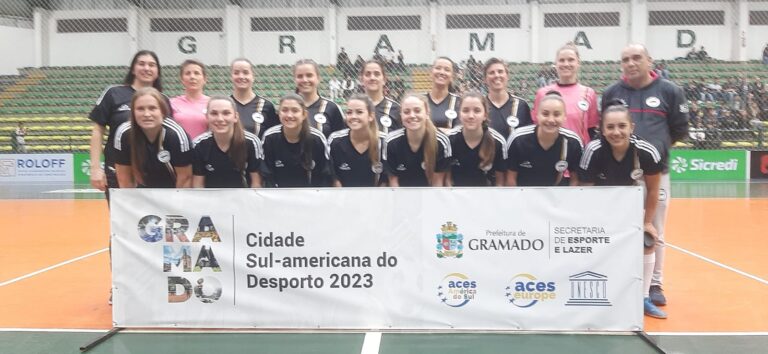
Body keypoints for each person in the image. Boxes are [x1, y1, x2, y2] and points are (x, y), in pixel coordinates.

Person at [602, 43, 690, 308]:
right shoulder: (612, 92)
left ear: (649, 61)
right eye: (626, 59)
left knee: (653, 229)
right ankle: (620, 279)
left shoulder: (670, 91)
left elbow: (678, 130)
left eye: (636, 58)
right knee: (617, 229)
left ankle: (654, 284)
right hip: (620, 174)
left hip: (655, 173)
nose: (631, 63)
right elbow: (605, 129)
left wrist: (654, 152)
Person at [579, 100, 666, 319]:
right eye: (610, 127)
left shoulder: (646, 152)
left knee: (647, 241)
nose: (616, 132)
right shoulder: (593, 150)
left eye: (621, 126)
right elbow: (585, 192)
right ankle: (600, 296)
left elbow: (654, 190)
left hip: (631, 205)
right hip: (601, 207)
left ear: (631, 128)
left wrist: (647, 222)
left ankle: (643, 297)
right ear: (602, 129)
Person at [89, 50, 171, 200]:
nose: (147, 68)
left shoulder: (163, 99)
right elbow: (98, 130)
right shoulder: (114, 93)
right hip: (117, 169)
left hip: (153, 171)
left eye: (152, 65)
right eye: (141, 64)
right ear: (133, 69)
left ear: (157, 71)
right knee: (121, 220)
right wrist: (95, 168)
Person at [113, 87, 193, 188]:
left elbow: (185, 178)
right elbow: (124, 180)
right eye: (140, 109)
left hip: (173, 190)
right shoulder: (123, 133)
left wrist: (175, 202)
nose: (146, 114)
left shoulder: (175, 134)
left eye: (152, 108)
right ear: (133, 112)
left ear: (162, 111)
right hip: (142, 192)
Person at [505, 91, 583, 187]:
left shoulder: (573, 142)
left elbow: (575, 179)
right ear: (537, 115)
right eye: (545, 114)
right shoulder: (518, 139)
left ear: (564, 117)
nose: (550, 120)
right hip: (523, 195)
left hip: (555, 195)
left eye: (557, 114)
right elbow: (510, 178)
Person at [533, 43, 599, 144]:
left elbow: (591, 130)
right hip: (550, 152)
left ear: (578, 63)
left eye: (571, 60)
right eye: (562, 60)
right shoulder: (542, 93)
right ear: (556, 64)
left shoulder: (588, 93)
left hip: (578, 154)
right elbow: (536, 127)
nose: (566, 64)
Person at [261, 93, 331, 187]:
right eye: (284, 110)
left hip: (311, 197)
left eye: (295, 111)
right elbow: (267, 176)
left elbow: (325, 175)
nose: (289, 115)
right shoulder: (269, 137)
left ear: (304, 114)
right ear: (278, 113)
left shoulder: (317, 139)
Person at [192, 96, 263, 188]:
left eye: (226, 113)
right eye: (214, 113)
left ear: (235, 117)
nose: (220, 119)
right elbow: (198, 184)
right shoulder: (199, 145)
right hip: (211, 200)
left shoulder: (251, 142)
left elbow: (256, 183)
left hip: (243, 199)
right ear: (207, 117)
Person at [384, 93, 453, 187]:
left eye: (417, 110)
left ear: (427, 113)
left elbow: (438, 184)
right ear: (401, 115)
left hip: (430, 198)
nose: (412, 115)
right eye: (406, 112)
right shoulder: (391, 142)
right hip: (401, 198)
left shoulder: (441, 142)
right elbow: (394, 184)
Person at [446, 92, 507, 186]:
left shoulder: (498, 142)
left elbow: (500, 183)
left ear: (485, 115)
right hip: (456, 198)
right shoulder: (449, 140)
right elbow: (447, 181)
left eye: (477, 111)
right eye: (465, 110)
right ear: (459, 114)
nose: (471, 116)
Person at [328, 94, 386, 187]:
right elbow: (334, 178)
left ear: (370, 116)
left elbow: (384, 181)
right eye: (349, 112)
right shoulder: (335, 141)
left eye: (359, 112)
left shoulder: (384, 142)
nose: (353, 116)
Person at [293, 59, 345, 138]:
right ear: (294, 80)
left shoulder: (331, 108)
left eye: (309, 75)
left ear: (318, 78)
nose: (305, 80)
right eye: (300, 76)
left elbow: (341, 142)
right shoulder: (287, 108)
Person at [483, 57, 533, 139]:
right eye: (491, 72)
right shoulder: (480, 106)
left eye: (500, 71)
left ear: (507, 76)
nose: (496, 75)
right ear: (485, 79)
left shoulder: (521, 106)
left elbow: (528, 139)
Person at [229, 58, 279, 139]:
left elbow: (273, 137)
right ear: (231, 76)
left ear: (253, 76)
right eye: (236, 73)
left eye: (245, 72)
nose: (241, 76)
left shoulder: (266, 106)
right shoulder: (225, 104)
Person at [170, 59, 209, 140]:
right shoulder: (172, 103)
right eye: (188, 73)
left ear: (205, 79)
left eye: (196, 73)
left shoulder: (212, 104)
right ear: (182, 79)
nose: (192, 77)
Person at [360, 60, 402, 134]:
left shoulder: (396, 109)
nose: (372, 78)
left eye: (377, 74)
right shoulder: (354, 109)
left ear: (384, 80)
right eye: (368, 74)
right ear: (362, 80)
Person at [426, 56, 462, 130]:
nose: (442, 72)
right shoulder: (420, 100)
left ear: (452, 76)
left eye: (447, 70)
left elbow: (460, 131)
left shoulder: (459, 102)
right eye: (438, 68)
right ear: (431, 73)